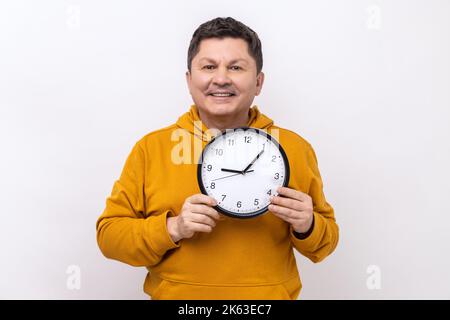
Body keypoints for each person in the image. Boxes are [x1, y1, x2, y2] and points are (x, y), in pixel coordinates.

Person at [96, 17, 339, 300]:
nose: (221, 78)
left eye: (236, 67)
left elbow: (326, 243)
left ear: (258, 82)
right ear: (189, 80)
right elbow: (109, 237)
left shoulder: (295, 148)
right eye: (209, 66)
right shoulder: (151, 149)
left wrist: (307, 224)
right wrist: (173, 227)